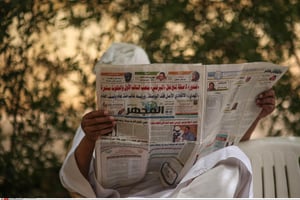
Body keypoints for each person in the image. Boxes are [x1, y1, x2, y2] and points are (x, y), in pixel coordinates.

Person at [59, 42, 276, 198]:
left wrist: (255, 115)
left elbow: (227, 142)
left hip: (176, 192)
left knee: (232, 157)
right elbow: (74, 180)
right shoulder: (95, 120)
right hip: (125, 196)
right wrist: (89, 137)